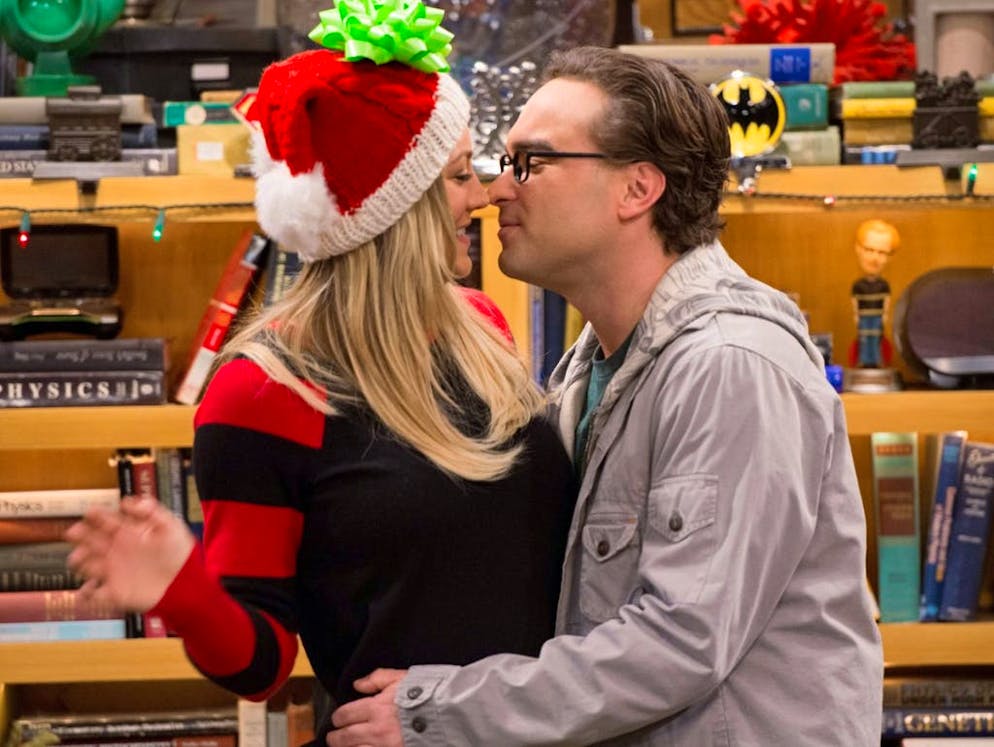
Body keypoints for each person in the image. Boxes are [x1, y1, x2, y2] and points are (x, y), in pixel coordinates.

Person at [327, 46, 884, 747]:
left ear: (636, 189)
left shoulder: (730, 365)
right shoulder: (591, 369)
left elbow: (680, 641)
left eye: (531, 163)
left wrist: (443, 710)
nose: (497, 191)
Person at [64, 5, 576, 744]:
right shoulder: (262, 391)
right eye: (460, 174)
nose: (485, 195)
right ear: (394, 209)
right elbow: (262, 666)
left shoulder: (481, 327)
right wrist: (182, 589)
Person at [852, 218, 899, 368]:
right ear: (858, 249)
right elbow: (855, 302)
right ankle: (864, 360)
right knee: (864, 339)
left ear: (890, 256)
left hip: (877, 319)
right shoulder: (858, 286)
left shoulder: (884, 285)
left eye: (882, 252)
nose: (874, 258)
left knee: (876, 340)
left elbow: (886, 301)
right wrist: (856, 315)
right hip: (864, 319)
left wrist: (884, 315)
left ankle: (877, 361)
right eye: (869, 250)